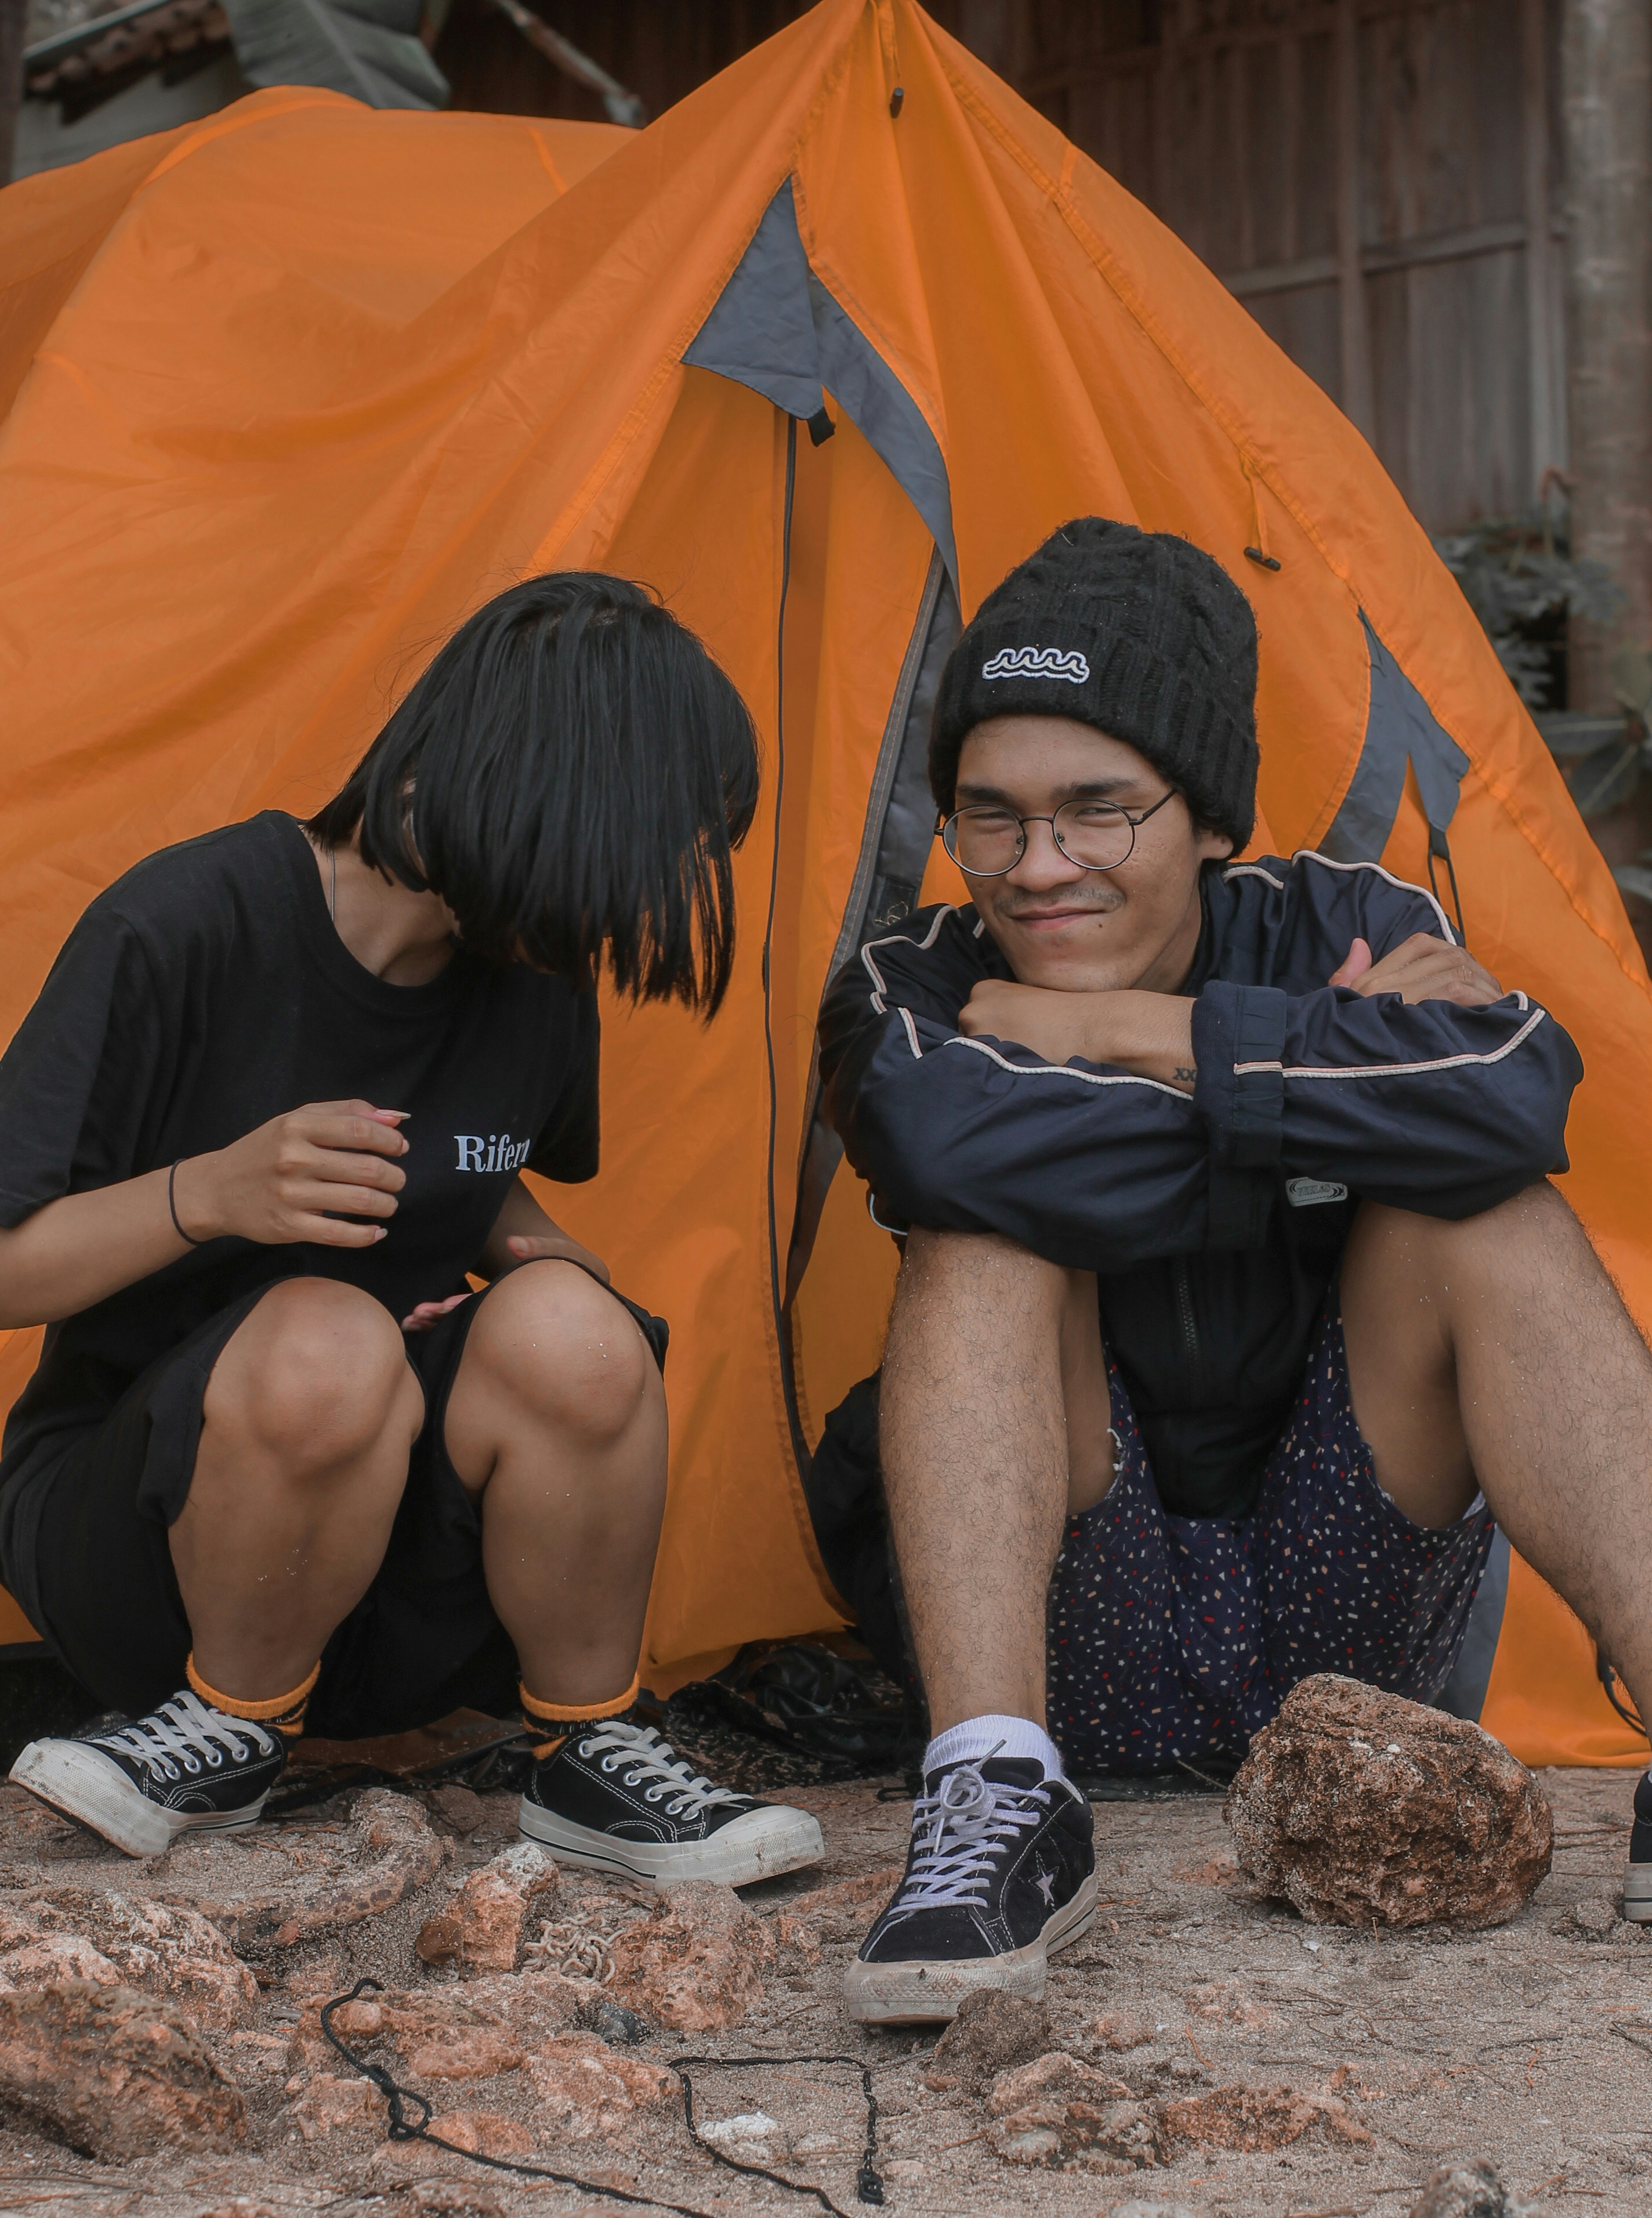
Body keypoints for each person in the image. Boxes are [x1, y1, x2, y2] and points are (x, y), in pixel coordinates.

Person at [814, 515, 1652, 2024]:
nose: (1038, 867)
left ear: (1209, 818)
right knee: (984, 1232)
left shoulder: (1350, 919)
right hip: (1087, 1601)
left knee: (1486, 1211)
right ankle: (997, 1805)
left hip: (1354, 1604)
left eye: (1095, 812)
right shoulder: (916, 978)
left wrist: (1122, 1039)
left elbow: (1518, 1100)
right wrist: (1335, 1081)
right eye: (990, 817)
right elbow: (942, 1151)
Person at [0, 571, 823, 1887]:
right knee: (327, 1330)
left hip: (395, 1575)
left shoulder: (531, 984)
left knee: (576, 1331)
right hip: (145, 1552)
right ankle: (223, 1729)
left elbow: (481, 1173)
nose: (644, 896)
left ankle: (584, 1753)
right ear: (554, 794)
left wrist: (537, 1267)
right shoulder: (188, 926)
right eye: (654, 847)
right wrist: (206, 1193)